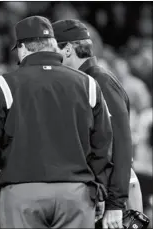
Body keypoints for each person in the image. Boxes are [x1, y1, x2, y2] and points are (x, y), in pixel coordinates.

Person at [0, 15, 113, 228]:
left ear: (23, 48)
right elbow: (103, 142)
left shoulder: (4, 85)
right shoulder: (88, 84)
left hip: (22, 189)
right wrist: (100, 185)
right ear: (53, 45)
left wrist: (5, 167)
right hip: (76, 192)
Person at [52, 19, 135, 229]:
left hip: (108, 202)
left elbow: (122, 145)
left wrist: (115, 204)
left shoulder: (100, 81)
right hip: (93, 196)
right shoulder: (79, 81)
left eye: (52, 49)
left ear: (68, 49)